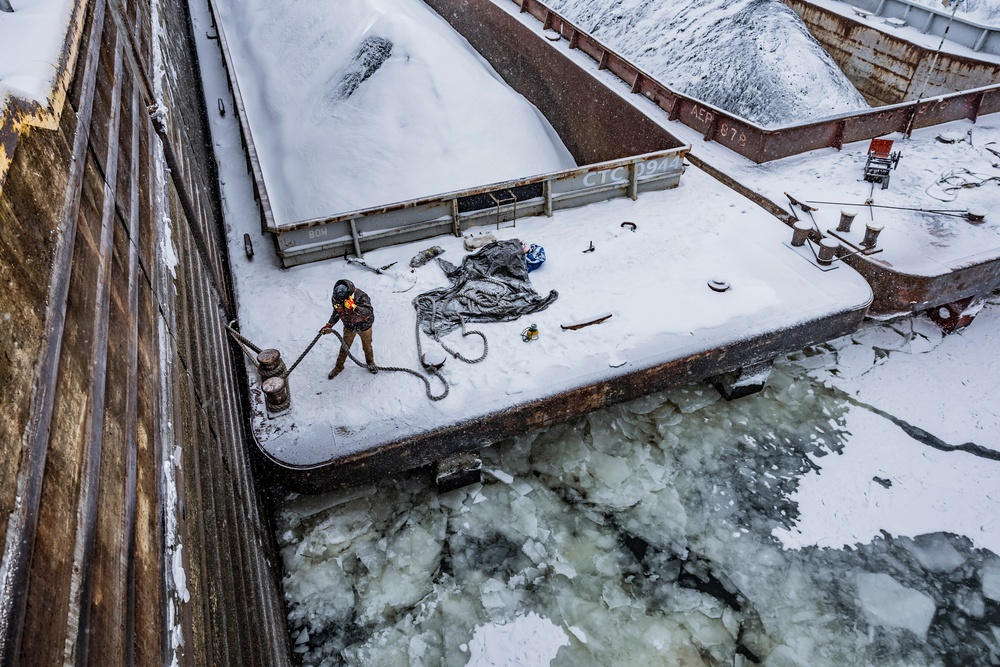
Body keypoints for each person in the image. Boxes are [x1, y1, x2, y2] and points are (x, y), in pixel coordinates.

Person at [320, 279, 376, 378]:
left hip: (364, 326)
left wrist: (354, 307)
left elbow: (368, 311)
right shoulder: (336, 298)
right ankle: (339, 366)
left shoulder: (360, 296)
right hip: (349, 326)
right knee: (344, 347)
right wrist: (330, 324)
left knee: (367, 346)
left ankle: (370, 363)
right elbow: (337, 312)